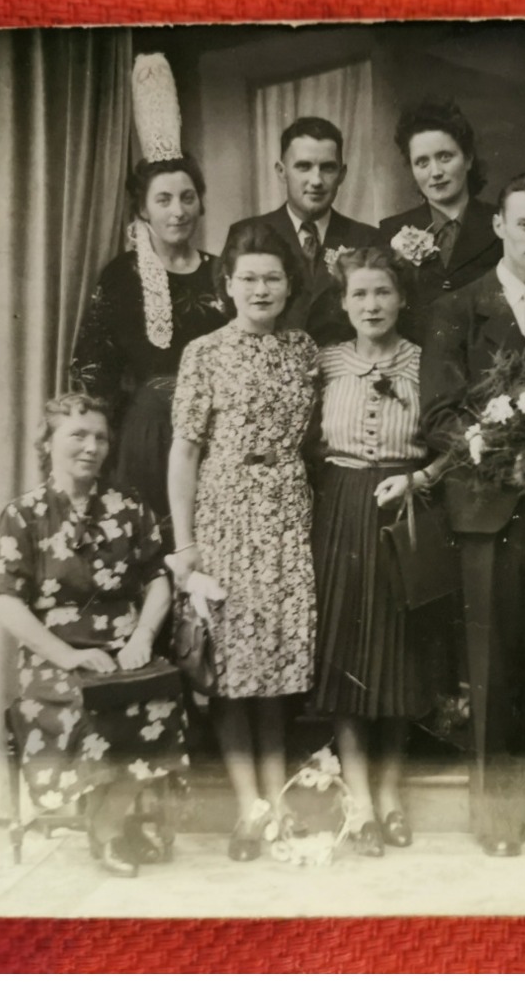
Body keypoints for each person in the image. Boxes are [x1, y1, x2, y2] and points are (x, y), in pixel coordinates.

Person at [419, 173, 525, 857]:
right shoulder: (459, 308)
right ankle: (493, 818)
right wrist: (504, 455)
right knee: (488, 670)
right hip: (487, 511)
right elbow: (437, 415)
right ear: (500, 227)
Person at [168, 221, 320, 862]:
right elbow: (184, 452)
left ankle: (279, 801)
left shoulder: (306, 351)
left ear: (290, 286)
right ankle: (247, 806)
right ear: (227, 284)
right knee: (231, 666)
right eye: (248, 277)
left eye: (273, 277)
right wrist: (186, 547)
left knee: (278, 664)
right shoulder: (203, 352)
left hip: (286, 511)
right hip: (224, 512)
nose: (261, 288)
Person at [0, 393, 189, 879]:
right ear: (48, 443)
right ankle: (108, 833)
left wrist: (143, 636)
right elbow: (7, 602)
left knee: (158, 700)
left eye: (100, 437)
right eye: (77, 435)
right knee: (87, 708)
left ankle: (110, 817)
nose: (91, 446)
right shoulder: (22, 515)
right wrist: (67, 655)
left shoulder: (128, 507)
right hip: (54, 656)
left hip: (126, 647)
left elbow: (156, 579)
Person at [309, 245, 451, 856]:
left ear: (402, 299)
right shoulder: (324, 363)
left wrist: (420, 479)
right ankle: (359, 799)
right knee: (345, 651)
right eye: (360, 294)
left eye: (383, 292)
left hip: (405, 509)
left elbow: (459, 441)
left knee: (399, 655)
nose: (372, 304)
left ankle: (391, 792)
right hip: (340, 510)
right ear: (343, 302)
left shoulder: (426, 363)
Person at [71, 57, 227, 527]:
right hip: (147, 438)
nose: (177, 211)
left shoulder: (224, 272)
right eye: (163, 200)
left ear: (200, 202)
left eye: (187, 197)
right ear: (142, 209)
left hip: (217, 439)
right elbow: (92, 371)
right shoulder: (120, 276)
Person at [224, 116, 380, 346]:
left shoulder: (367, 239)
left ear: (342, 174)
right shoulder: (247, 234)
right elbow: (232, 317)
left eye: (327, 168)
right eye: (303, 167)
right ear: (281, 171)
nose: (316, 181)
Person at [379, 98, 502, 343]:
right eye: (422, 162)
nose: (435, 172)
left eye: (445, 157)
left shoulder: (502, 223)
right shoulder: (390, 231)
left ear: (468, 159)